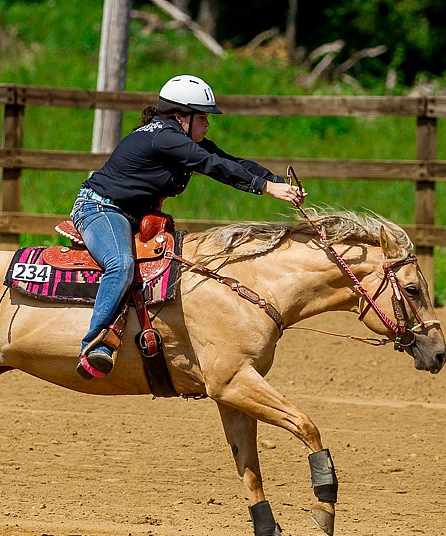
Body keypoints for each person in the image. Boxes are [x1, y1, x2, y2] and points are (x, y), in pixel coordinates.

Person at [71, 74, 307, 380]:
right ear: (182, 115)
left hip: (128, 215)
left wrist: (276, 182)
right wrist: (264, 188)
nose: (207, 123)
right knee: (121, 264)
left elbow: (229, 160)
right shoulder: (166, 139)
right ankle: (95, 344)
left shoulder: (176, 138)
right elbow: (214, 166)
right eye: (203, 117)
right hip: (100, 208)